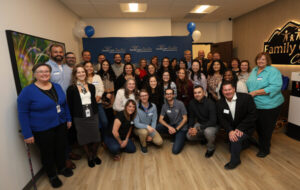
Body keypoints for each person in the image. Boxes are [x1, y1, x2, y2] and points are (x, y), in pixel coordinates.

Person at [17, 63, 73, 188]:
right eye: (40, 71)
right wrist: (27, 133)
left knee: (60, 148)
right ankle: (52, 175)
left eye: (47, 71)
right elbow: (23, 114)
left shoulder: (57, 86)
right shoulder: (27, 91)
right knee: (47, 153)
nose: (44, 74)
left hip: (60, 124)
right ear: (35, 74)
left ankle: (62, 168)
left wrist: (68, 119)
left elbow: (64, 105)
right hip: (42, 129)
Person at [246, 52, 284, 158]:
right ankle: (264, 143)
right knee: (258, 126)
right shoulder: (254, 70)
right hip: (256, 104)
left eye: (263, 59)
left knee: (266, 128)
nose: (260, 61)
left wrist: (256, 92)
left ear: (267, 60)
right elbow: (249, 84)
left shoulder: (273, 71)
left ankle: (265, 149)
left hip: (270, 105)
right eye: (258, 59)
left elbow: (275, 87)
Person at [66, 65, 102, 168]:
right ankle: (89, 156)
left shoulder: (91, 86)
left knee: (96, 137)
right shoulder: (71, 89)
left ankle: (94, 154)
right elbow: (70, 105)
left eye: (83, 72)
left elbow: (94, 101)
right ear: (75, 75)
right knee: (83, 138)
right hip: (79, 117)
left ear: (86, 73)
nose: (81, 74)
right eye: (78, 72)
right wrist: (71, 118)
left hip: (92, 114)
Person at [217, 81, 257, 169]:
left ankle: (235, 161)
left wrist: (240, 128)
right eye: (225, 90)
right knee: (232, 147)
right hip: (232, 128)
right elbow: (222, 119)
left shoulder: (246, 98)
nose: (228, 92)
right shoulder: (220, 103)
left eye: (229, 89)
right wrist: (230, 131)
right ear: (222, 91)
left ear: (234, 89)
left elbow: (252, 115)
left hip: (245, 127)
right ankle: (247, 142)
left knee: (235, 139)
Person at [187, 85, 218, 158]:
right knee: (189, 136)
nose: (197, 94)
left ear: (204, 93)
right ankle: (205, 138)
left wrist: (197, 128)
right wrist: (190, 127)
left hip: (212, 125)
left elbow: (213, 121)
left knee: (208, 132)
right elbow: (191, 117)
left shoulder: (210, 103)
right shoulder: (192, 103)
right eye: (195, 93)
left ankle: (211, 148)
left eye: (199, 92)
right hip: (201, 123)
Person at [157, 88, 188, 154]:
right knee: (158, 127)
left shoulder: (180, 104)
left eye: (170, 94)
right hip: (172, 126)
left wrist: (176, 129)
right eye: (167, 94)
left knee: (175, 151)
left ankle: (181, 138)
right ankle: (174, 135)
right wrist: (169, 127)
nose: (169, 95)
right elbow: (160, 119)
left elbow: (185, 119)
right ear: (165, 96)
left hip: (181, 128)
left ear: (173, 95)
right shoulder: (164, 106)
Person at [83, 62, 108, 130]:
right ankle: (98, 137)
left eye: (91, 66)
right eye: (87, 66)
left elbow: (101, 88)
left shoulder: (97, 77)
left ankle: (103, 135)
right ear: (84, 68)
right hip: (87, 104)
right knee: (93, 122)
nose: (89, 68)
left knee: (104, 121)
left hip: (98, 102)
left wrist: (98, 97)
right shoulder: (82, 78)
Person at [98, 59, 116, 125]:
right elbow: (96, 88)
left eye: (107, 65)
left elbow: (115, 87)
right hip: (101, 99)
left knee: (111, 118)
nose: (105, 66)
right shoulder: (97, 75)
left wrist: (110, 94)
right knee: (104, 120)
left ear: (109, 66)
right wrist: (105, 94)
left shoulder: (112, 74)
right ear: (101, 65)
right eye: (104, 64)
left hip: (111, 99)